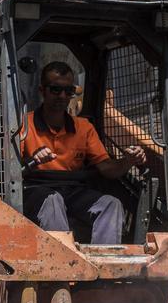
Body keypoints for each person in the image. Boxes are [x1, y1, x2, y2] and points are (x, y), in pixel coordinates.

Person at [21, 62, 146, 245]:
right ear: (42, 90)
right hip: (35, 189)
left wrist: (128, 161)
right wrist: (32, 160)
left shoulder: (84, 128)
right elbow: (10, 170)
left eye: (68, 91)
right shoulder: (24, 124)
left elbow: (106, 168)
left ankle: (105, 266)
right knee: (52, 200)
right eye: (55, 89)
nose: (62, 96)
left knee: (111, 205)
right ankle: (65, 264)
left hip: (73, 190)